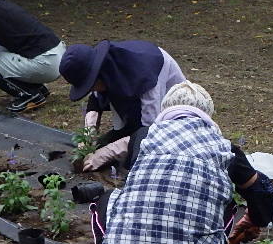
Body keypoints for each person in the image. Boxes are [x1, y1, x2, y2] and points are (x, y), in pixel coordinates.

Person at [97, 81, 232, 244]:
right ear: (207, 113)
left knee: (111, 199)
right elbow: (257, 189)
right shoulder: (221, 146)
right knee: (226, 206)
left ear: (166, 109)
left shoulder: (146, 135)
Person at [59, 39, 185, 171]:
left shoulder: (146, 79)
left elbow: (149, 133)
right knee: (103, 146)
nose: (92, 90)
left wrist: (109, 152)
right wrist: (88, 135)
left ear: (98, 76)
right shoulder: (106, 68)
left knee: (134, 161)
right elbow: (95, 102)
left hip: (170, 122)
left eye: (90, 86)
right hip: (138, 108)